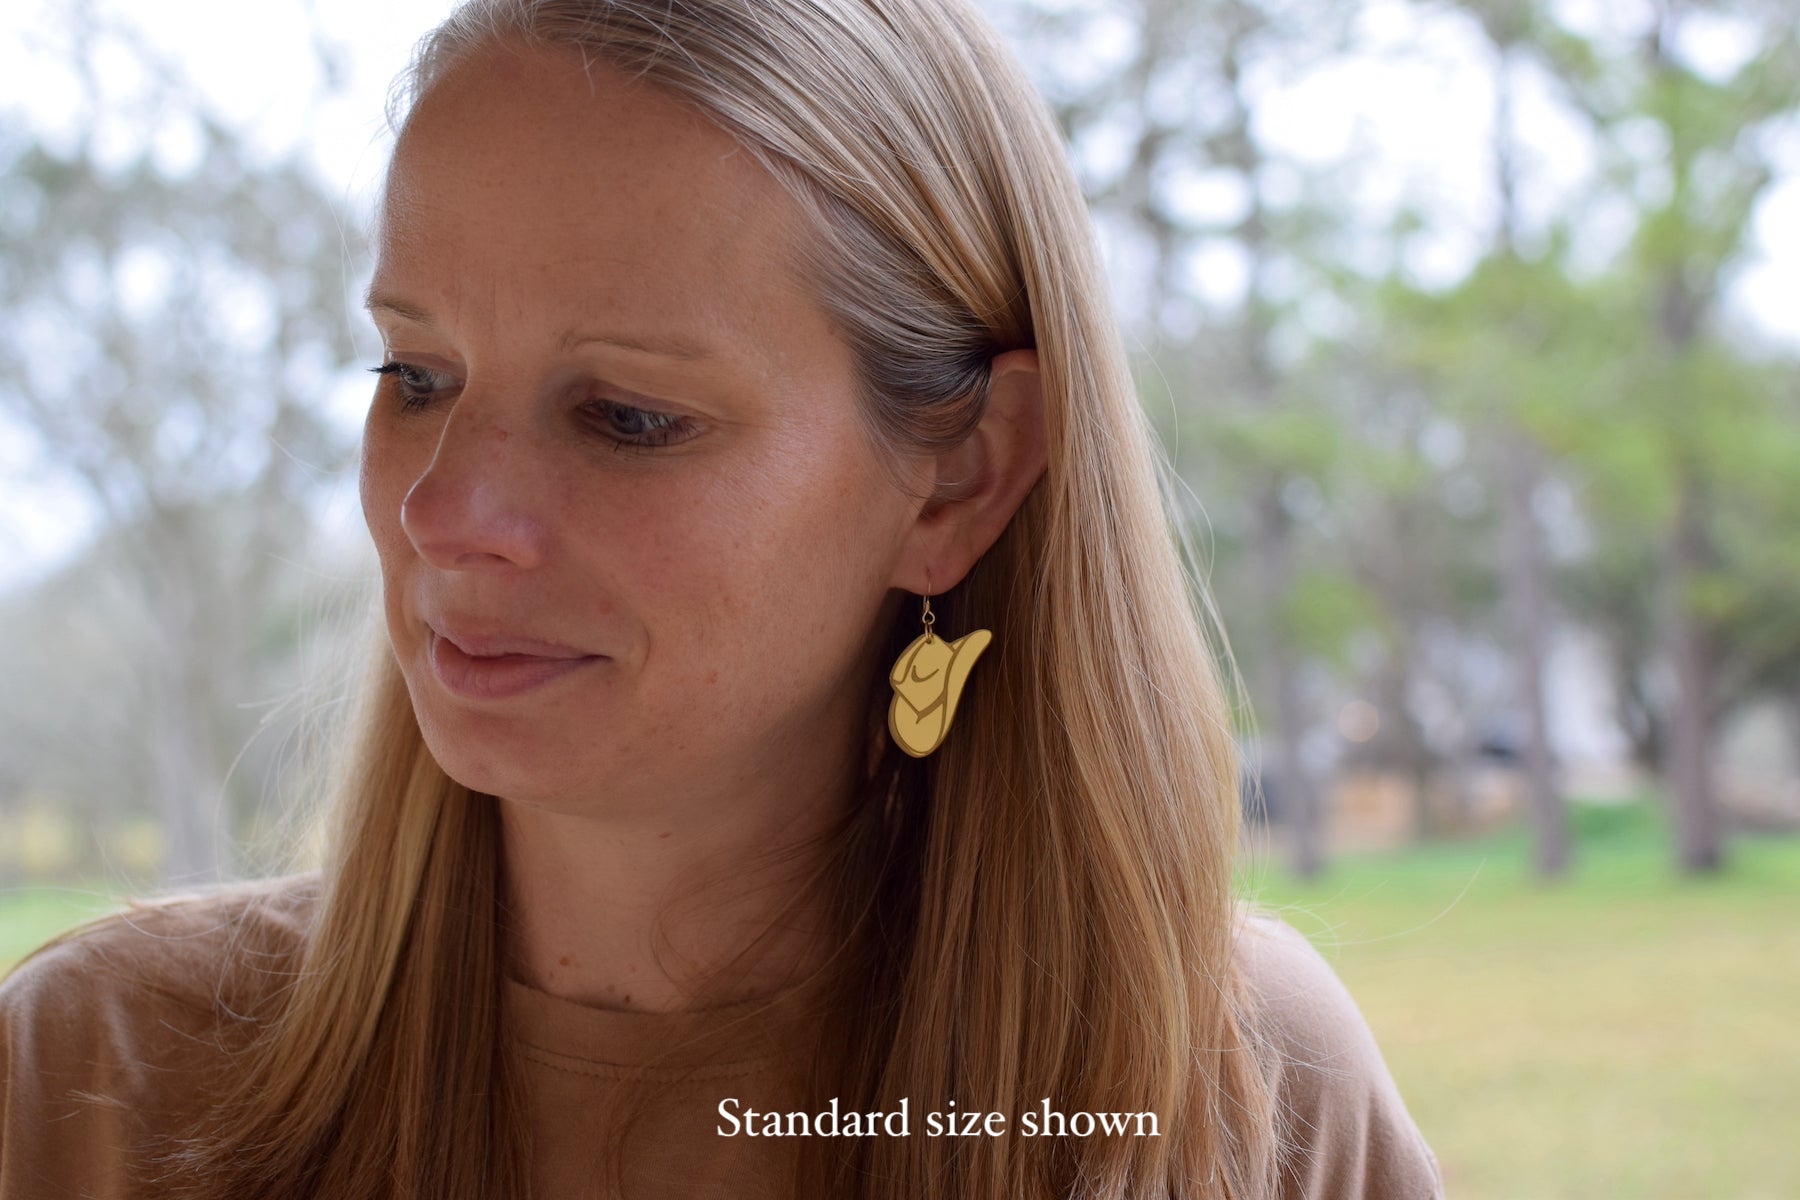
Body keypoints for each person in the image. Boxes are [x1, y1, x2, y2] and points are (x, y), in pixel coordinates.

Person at [0, 0, 1446, 1197]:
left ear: (959, 480)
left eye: (626, 417)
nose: (442, 511)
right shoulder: (95, 1088)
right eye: (416, 376)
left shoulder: (1228, 1092)